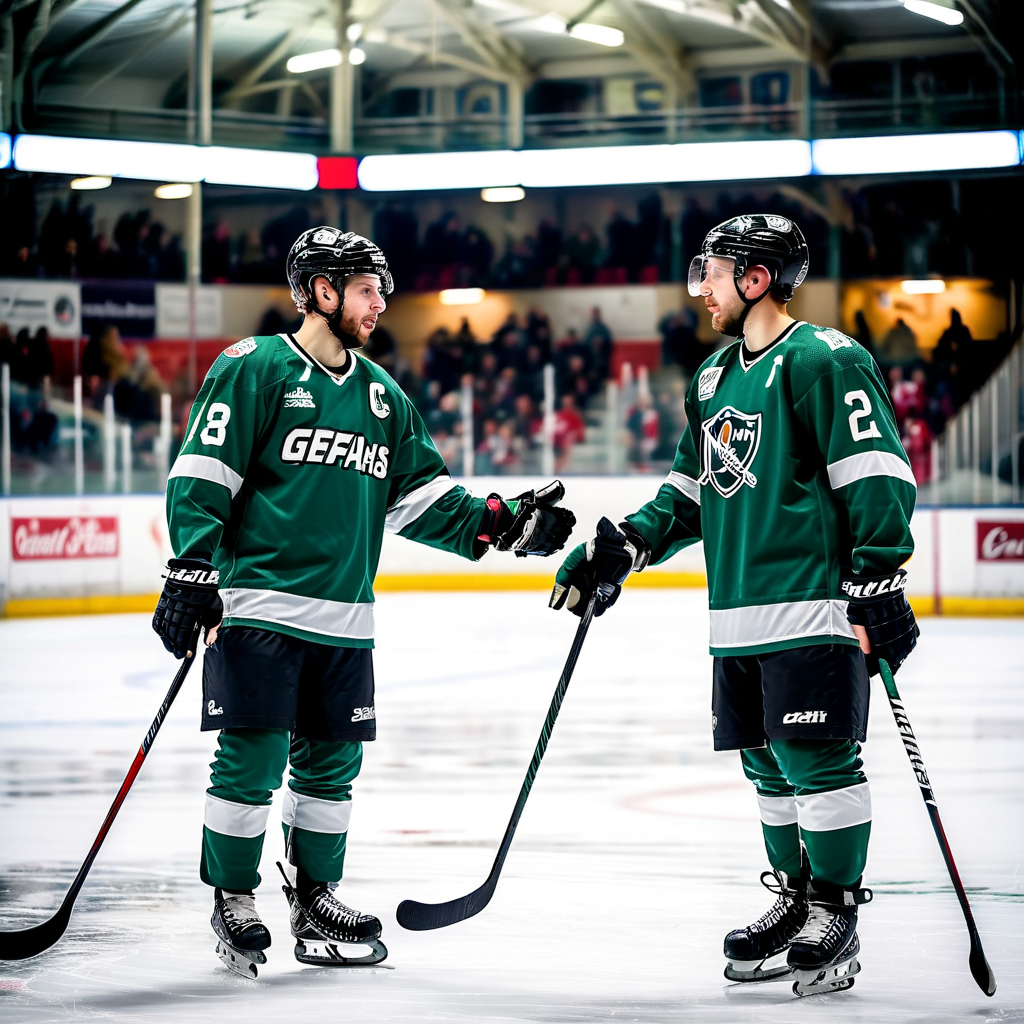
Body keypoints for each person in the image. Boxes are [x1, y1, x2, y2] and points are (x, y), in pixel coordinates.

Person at [152, 227, 576, 978]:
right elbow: (203, 472)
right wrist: (191, 567)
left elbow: (423, 500)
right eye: (367, 288)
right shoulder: (253, 370)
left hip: (346, 619)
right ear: (321, 292)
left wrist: (503, 523)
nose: (382, 302)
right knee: (250, 760)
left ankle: (317, 894)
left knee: (331, 768)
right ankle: (233, 897)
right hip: (257, 609)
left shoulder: (383, 397)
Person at [550, 214, 918, 996]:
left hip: (813, 609)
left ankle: (834, 907)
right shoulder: (713, 378)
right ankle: (792, 901)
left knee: (818, 764)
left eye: (712, 273)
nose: (702, 288)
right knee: (767, 770)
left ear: (755, 279)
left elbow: (876, 470)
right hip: (737, 618)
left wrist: (879, 578)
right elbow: (691, 492)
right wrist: (627, 545)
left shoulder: (825, 359)